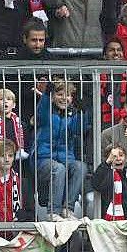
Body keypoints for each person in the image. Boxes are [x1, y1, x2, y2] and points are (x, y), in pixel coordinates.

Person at [33, 80, 89, 219]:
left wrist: (82, 113)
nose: (64, 98)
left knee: (80, 167)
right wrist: (46, 94)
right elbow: (41, 110)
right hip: (43, 159)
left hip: (65, 159)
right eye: (60, 94)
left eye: (68, 95)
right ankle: (53, 212)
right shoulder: (47, 112)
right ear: (53, 96)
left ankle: (67, 209)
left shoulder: (72, 114)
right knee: (59, 169)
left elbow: (79, 130)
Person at [92, 142, 127, 220]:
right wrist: (107, 162)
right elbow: (96, 183)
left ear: (126, 158)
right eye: (114, 156)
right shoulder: (107, 174)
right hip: (111, 222)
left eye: (121, 155)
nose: (118, 159)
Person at [0, 140, 27, 222]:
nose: (7, 159)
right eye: (3, 156)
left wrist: (20, 217)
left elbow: (31, 213)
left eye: (10, 156)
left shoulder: (23, 183)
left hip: (17, 232)